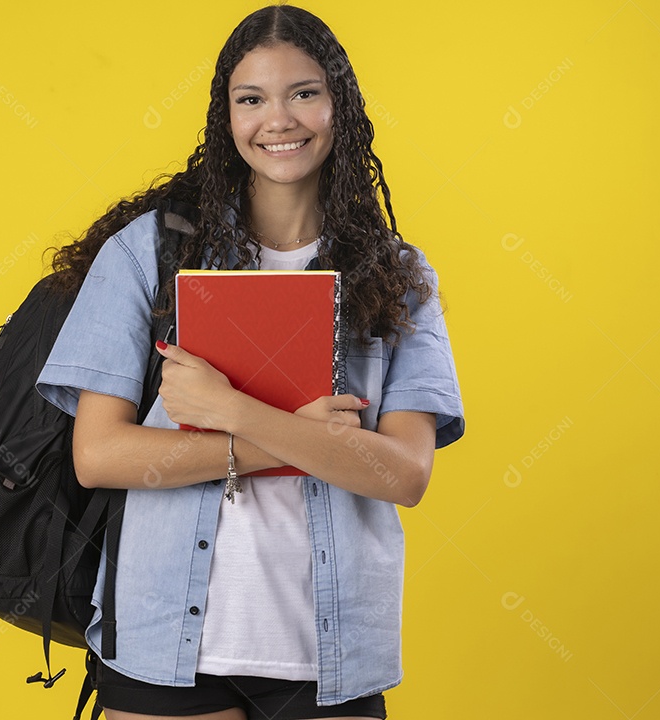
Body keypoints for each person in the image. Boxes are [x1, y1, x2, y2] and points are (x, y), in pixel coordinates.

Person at [37, 5, 465, 719]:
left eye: (303, 93)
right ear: (226, 116)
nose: (280, 119)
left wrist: (232, 412)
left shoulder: (396, 273)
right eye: (252, 99)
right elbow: (100, 454)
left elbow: (406, 474)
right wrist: (303, 442)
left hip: (329, 653)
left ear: (339, 104)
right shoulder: (150, 253)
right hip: (164, 642)